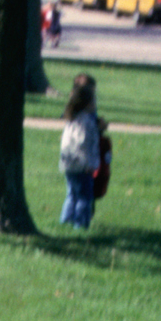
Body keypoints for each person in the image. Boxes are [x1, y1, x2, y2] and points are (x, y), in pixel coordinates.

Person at [59, 73, 104, 230]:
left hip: (68, 163)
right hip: (82, 165)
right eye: (93, 101)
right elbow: (84, 143)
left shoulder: (71, 118)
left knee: (72, 194)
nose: (95, 104)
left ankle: (65, 221)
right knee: (85, 196)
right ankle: (80, 224)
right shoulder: (86, 122)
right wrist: (89, 164)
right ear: (86, 104)